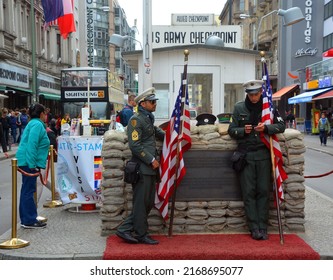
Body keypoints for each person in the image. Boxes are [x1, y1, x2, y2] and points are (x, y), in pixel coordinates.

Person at [228, 80, 285, 241]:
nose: (253, 97)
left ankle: (263, 226)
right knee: (249, 193)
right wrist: (243, 131)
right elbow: (232, 130)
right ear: (247, 94)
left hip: (264, 155)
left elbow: (281, 126)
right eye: (250, 95)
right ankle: (254, 227)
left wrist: (266, 128)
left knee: (263, 192)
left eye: (256, 94)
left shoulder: (268, 107)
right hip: (246, 156)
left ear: (261, 93)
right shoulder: (239, 108)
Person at [116, 87, 165, 245]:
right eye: (152, 102)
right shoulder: (135, 120)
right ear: (143, 104)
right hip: (142, 168)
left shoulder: (148, 119)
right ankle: (140, 233)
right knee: (141, 203)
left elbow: (154, 132)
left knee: (148, 202)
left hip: (149, 169)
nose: (155, 104)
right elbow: (135, 145)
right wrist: (151, 160)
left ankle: (125, 229)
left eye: (155, 101)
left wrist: (171, 135)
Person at [16, 103, 50, 229]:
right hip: (28, 162)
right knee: (28, 190)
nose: (46, 116)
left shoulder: (34, 124)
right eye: (45, 113)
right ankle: (28, 220)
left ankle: (28, 218)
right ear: (42, 114)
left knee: (27, 189)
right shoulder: (37, 125)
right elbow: (32, 145)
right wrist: (32, 164)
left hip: (27, 160)